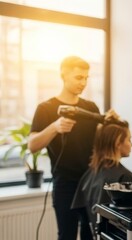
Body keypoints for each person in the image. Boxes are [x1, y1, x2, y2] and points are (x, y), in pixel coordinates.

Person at [28, 56, 118, 240]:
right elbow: (32, 145)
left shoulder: (90, 107)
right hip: (65, 185)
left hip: (91, 182)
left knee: (91, 235)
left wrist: (110, 123)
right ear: (63, 75)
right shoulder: (45, 109)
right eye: (78, 77)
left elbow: (101, 141)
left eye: (86, 78)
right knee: (66, 235)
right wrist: (55, 127)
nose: (83, 82)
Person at [71, 121, 132, 236]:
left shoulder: (91, 172)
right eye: (129, 139)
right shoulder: (124, 178)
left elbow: (84, 220)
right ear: (118, 143)